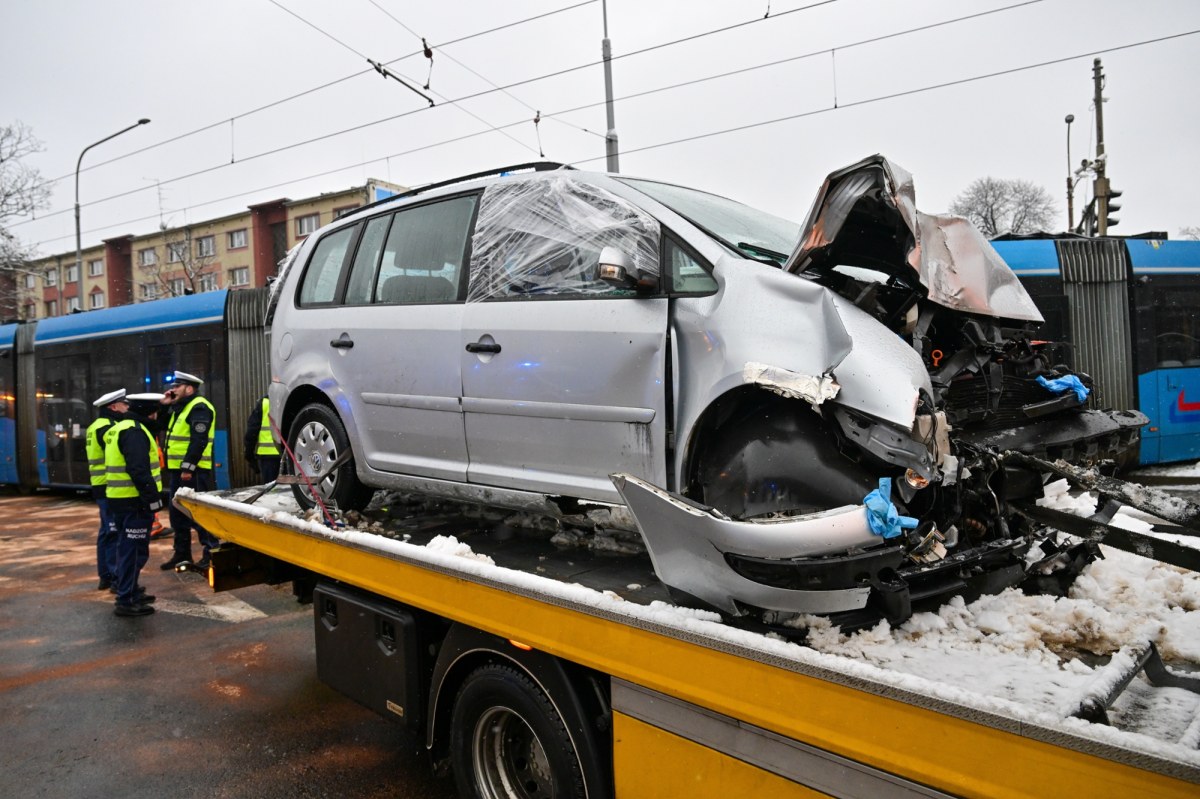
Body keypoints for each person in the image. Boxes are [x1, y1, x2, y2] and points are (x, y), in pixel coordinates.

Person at [105, 392, 166, 617]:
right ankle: (126, 599)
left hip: (121, 499)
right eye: (155, 411)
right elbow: (139, 470)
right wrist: (153, 499)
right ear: (148, 411)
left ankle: (130, 589)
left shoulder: (120, 427)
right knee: (134, 550)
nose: (156, 416)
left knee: (126, 547)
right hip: (134, 502)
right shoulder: (135, 432)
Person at [159, 371, 219, 572]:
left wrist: (188, 466)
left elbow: (198, 440)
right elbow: (159, 425)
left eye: (177, 386)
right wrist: (164, 404)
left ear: (190, 388)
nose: (173, 389)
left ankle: (211, 553)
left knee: (199, 514)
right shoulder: (180, 408)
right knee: (178, 515)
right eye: (173, 386)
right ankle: (182, 554)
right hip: (178, 472)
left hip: (194, 472)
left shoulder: (199, 407)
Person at [88, 388, 128, 591]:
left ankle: (106, 575)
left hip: (101, 484)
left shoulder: (98, 425)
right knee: (112, 532)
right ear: (114, 406)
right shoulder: (107, 428)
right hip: (108, 485)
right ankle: (113, 576)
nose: (127, 407)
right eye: (124, 404)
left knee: (106, 531)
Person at [242, 393, 281, 483]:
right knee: (289, 491)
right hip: (289, 457)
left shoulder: (265, 403)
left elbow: (252, 431)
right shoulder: (290, 400)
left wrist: (249, 456)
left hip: (268, 458)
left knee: (271, 489)